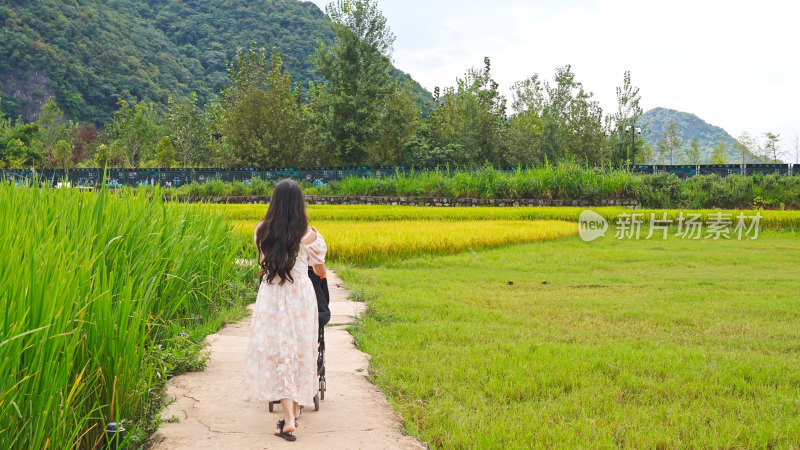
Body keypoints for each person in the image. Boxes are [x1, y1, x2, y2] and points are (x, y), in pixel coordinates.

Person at [241, 179, 327, 442]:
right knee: (299, 350)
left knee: (279, 350)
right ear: (300, 204)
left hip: (272, 297)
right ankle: (292, 414)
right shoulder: (310, 236)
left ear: (274, 202)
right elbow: (320, 270)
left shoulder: (261, 231)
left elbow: (266, 262)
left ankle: (290, 415)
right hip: (300, 297)